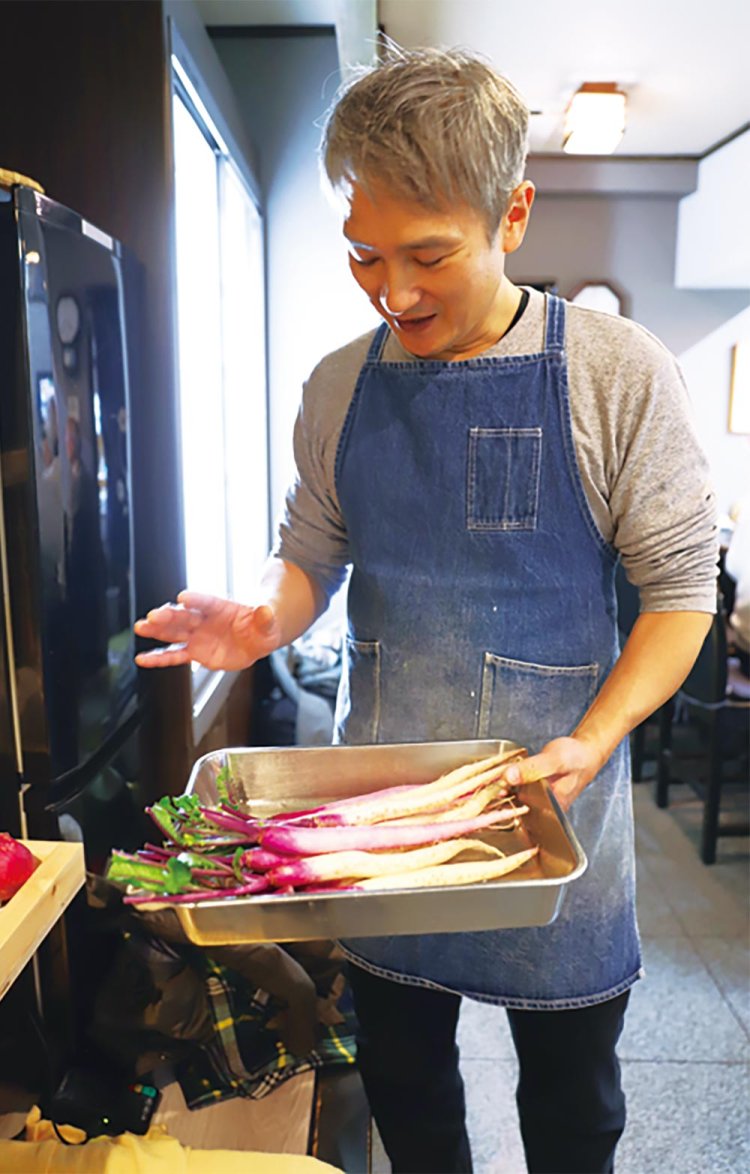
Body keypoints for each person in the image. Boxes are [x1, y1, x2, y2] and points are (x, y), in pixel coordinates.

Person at [135, 46, 718, 1174]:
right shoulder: (338, 386)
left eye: (428, 256)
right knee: (407, 1088)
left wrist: (595, 738)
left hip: (551, 820)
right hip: (381, 827)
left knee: (575, 1108)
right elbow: (309, 556)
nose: (393, 292)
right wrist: (265, 619)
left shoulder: (616, 373)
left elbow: (683, 593)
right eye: (364, 255)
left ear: (513, 216)